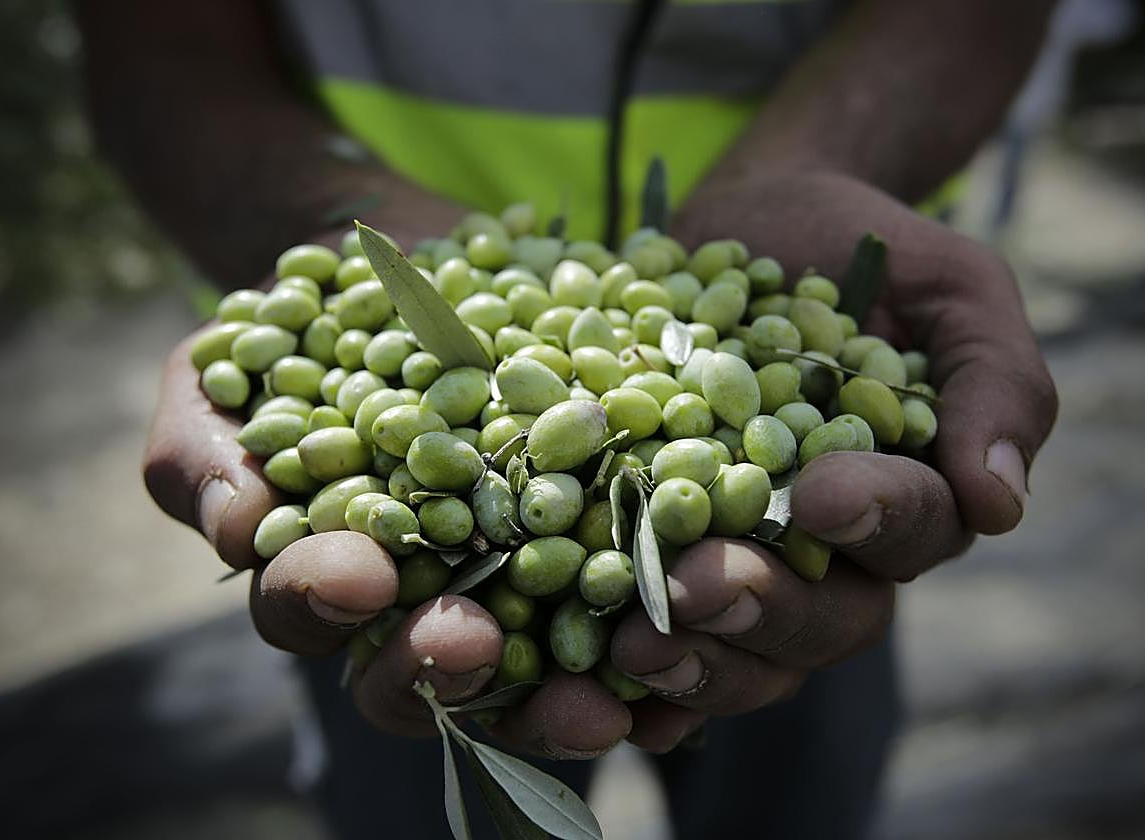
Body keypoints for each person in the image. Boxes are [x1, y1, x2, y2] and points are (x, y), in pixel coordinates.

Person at [76, 1, 1059, 837]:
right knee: (422, 734)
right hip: (423, 519)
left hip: (778, 530)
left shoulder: (758, 397)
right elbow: (157, 42)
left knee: (794, 760)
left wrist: (824, 155)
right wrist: (319, 208)